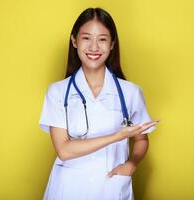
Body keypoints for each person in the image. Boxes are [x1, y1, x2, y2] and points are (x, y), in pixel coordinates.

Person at [39, 7, 160, 200]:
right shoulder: (58, 92)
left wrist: (132, 164)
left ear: (112, 44)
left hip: (111, 186)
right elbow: (64, 150)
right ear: (74, 41)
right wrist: (118, 136)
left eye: (102, 39)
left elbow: (141, 140)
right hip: (68, 188)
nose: (94, 47)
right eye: (86, 38)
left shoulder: (130, 92)